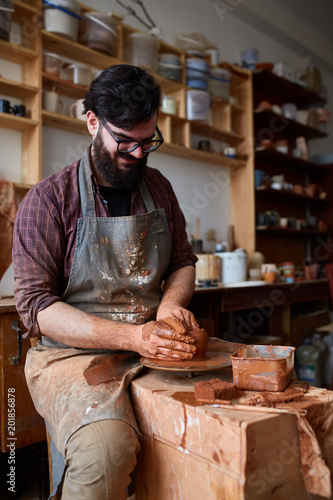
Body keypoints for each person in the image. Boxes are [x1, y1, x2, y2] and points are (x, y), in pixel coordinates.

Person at [12, 64, 199, 499]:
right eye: (125, 141)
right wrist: (131, 336)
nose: (137, 154)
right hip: (72, 357)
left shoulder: (159, 188)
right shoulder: (49, 199)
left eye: (147, 141)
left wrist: (171, 304)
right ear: (92, 121)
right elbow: (36, 306)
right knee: (108, 450)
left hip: (154, 345)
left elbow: (183, 263)